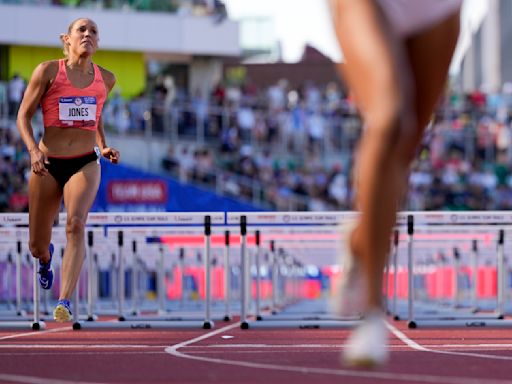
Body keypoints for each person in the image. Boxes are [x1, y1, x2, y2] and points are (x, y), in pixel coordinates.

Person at [329, 0, 462, 367]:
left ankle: (359, 241)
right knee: (389, 121)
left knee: (403, 150)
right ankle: (371, 312)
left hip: (435, 9)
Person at [16, 18, 120, 322]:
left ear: (98, 43)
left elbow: (96, 113)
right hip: (47, 163)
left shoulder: (107, 78)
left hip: (85, 161)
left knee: (75, 224)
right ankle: (46, 260)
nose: (88, 35)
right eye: (81, 31)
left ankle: (65, 301)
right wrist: (34, 150)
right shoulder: (48, 71)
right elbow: (23, 117)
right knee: (36, 245)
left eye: (94, 32)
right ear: (67, 39)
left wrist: (103, 145)